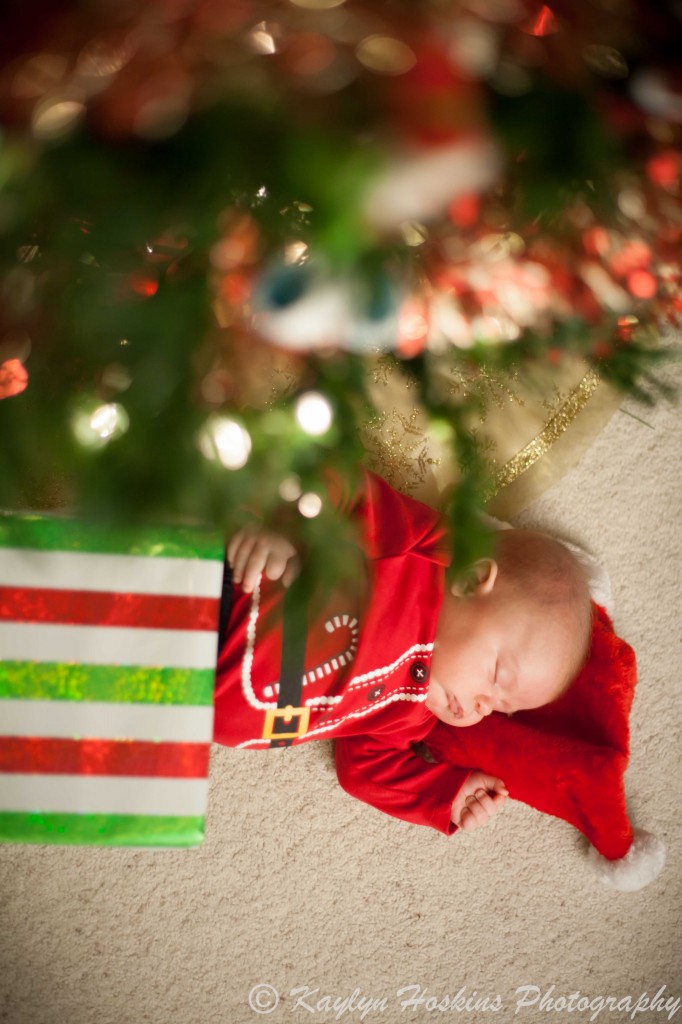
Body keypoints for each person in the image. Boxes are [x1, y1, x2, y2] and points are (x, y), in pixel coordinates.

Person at [213, 467, 591, 835]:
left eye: (498, 707)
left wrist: (445, 793)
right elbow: (340, 485)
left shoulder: (412, 718)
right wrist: (278, 524)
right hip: (228, 590)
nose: (481, 707)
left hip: (192, 703)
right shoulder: (421, 548)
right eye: (496, 677)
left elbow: (363, 769)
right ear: (473, 580)